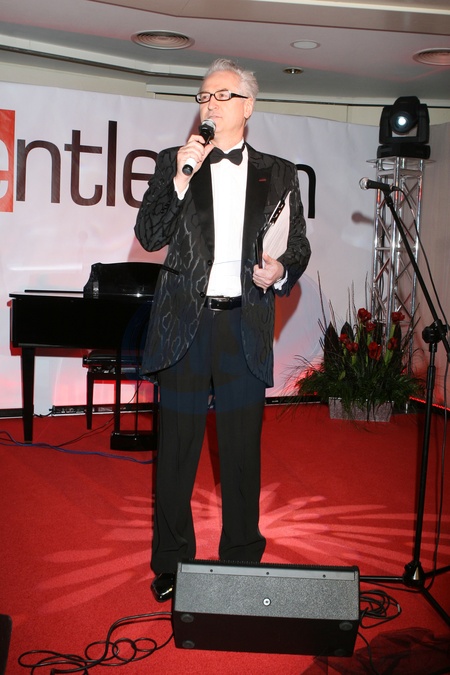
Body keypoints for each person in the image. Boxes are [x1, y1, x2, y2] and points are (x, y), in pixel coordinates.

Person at [134, 58, 311, 602]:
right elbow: (149, 235)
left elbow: (298, 247)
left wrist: (281, 270)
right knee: (176, 453)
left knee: (240, 454)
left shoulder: (280, 173)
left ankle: (241, 558)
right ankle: (171, 563)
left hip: (244, 325)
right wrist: (181, 178)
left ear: (247, 105)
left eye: (221, 95)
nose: (209, 104)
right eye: (204, 96)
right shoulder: (173, 161)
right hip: (185, 326)